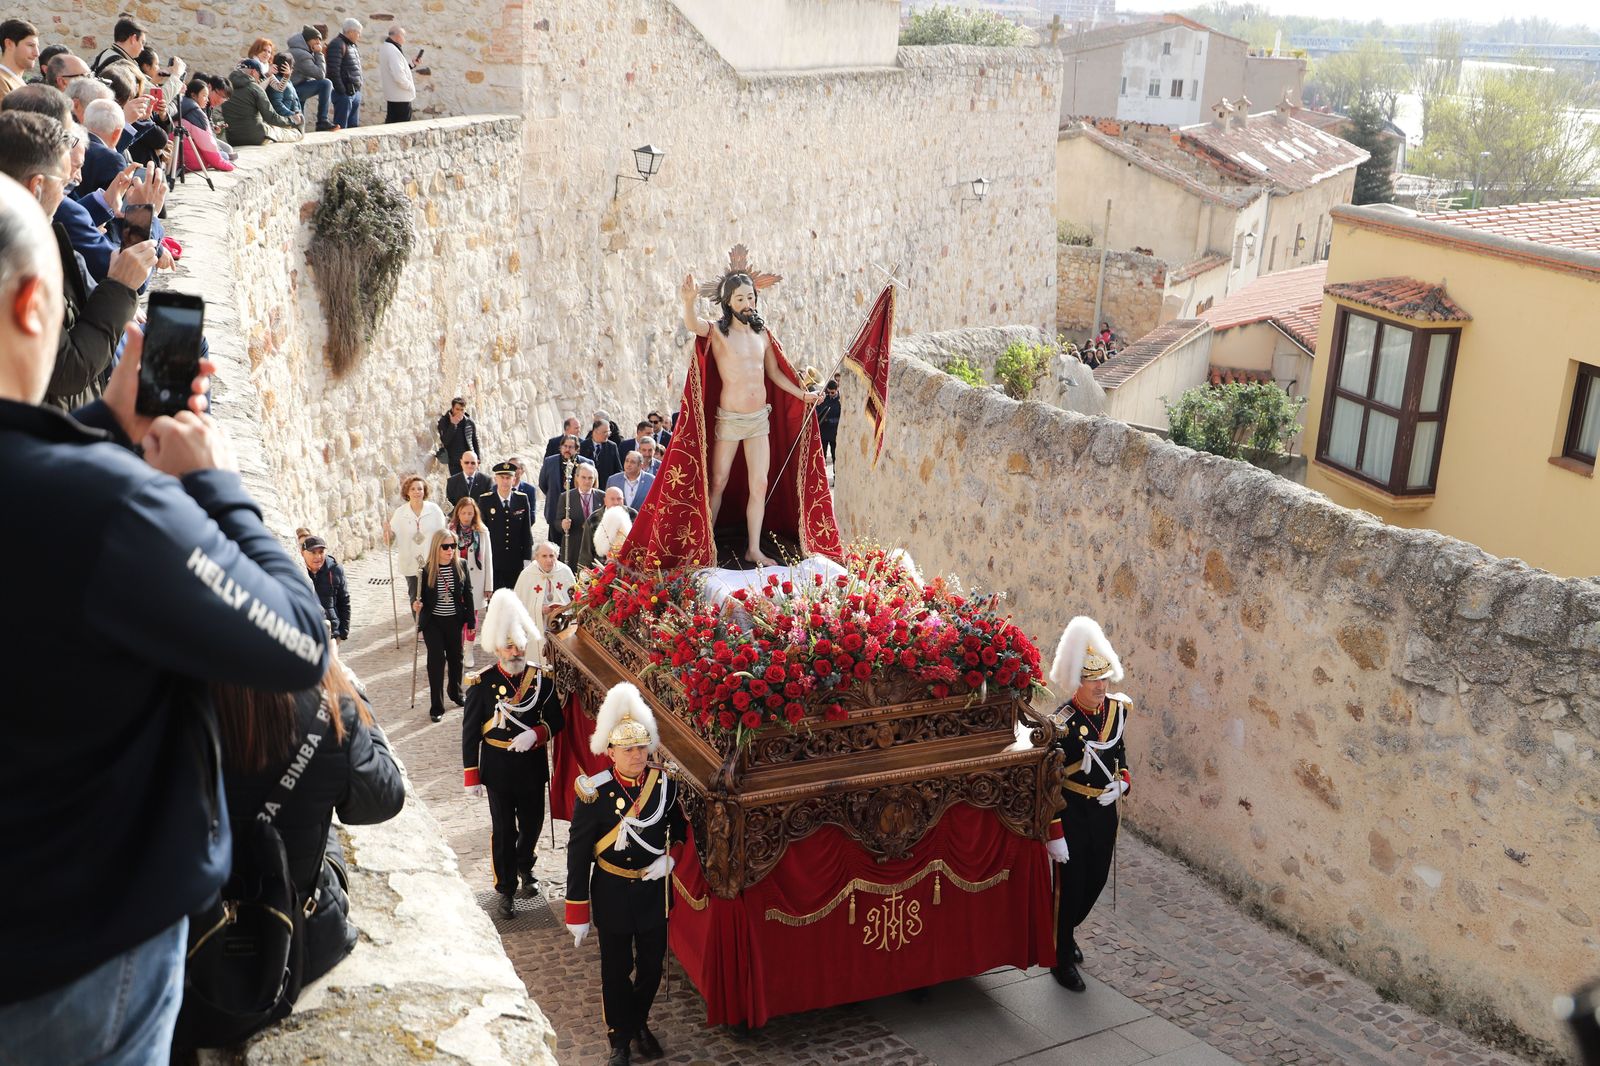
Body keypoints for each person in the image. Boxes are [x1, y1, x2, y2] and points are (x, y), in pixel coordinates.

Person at [0, 169, 329, 1063]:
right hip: (69, 963)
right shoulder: (103, 512)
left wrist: (107, 432)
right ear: (36, 303)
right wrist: (217, 486)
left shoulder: (77, 488)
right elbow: (295, 640)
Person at [203, 644, 404, 1019]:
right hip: (294, 942)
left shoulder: (176, 694)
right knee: (323, 833)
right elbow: (383, 799)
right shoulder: (328, 708)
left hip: (190, 934)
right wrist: (345, 688)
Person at [565, 683, 685, 1066]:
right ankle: (620, 1038)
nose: (636, 755)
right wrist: (576, 910)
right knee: (616, 971)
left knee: (651, 968)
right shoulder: (594, 792)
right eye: (627, 749)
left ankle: (638, 1022)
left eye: (641, 747)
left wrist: (671, 860)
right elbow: (579, 853)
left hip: (652, 893)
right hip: (612, 891)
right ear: (610, 751)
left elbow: (679, 831)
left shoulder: (664, 785)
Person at [680, 262, 821, 566]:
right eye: (741, 298)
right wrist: (688, 302)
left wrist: (803, 395)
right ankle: (707, 547)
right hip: (730, 420)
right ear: (729, 302)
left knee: (759, 484)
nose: (747, 303)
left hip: (759, 419)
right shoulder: (719, 332)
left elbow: (774, 373)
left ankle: (754, 548)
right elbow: (694, 326)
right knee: (718, 481)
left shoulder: (763, 334)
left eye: (751, 297)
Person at [1043, 616, 1132, 993]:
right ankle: (1060, 955)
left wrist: (1122, 785)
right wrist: (1054, 833)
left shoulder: (1117, 711)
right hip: (1073, 813)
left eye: (1105, 679)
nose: (1101, 687)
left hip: (1103, 813)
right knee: (1071, 886)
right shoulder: (1062, 723)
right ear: (1078, 682)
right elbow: (1049, 783)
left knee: (1095, 881)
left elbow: (1121, 755)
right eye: (1094, 680)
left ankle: (1066, 932)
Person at [463, 590, 565, 917]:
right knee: (504, 830)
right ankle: (505, 888)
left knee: (532, 823)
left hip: (532, 766)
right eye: (509, 646)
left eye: (520, 644)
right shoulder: (482, 684)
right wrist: (471, 775)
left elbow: (556, 721)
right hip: (498, 767)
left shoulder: (541, 680)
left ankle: (526, 865)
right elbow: (469, 733)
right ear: (496, 648)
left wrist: (537, 733)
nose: (516, 651)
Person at [413, 528, 473, 723]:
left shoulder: (461, 565)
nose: (450, 550)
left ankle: (455, 692)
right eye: (445, 546)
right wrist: (417, 605)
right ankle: (436, 706)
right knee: (436, 661)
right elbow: (418, 598)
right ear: (436, 547)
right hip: (434, 623)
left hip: (454, 620)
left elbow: (468, 595)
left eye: (453, 546)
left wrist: (471, 621)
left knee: (457, 658)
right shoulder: (426, 570)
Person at [386, 472, 446, 603]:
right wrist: (387, 532)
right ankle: (418, 623)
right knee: (415, 599)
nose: (416, 492)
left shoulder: (434, 510)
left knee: (432, 599)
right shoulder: (400, 513)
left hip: (431, 562)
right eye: (412, 489)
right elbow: (390, 540)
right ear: (407, 492)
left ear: (424, 491)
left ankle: (429, 624)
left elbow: (443, 536)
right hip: (410, 561)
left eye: (420, 488)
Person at [512, 540, 574, 667]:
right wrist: (538, 609)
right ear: (536, 557)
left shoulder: (564, 572)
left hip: (561, 625)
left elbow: (574, 601)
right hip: (536, 626)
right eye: (544, 556)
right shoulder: (527, 575)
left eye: (552, 556)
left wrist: (563, 608)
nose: (549, 560)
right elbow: (517, 608)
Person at [479, 460, 533, 592]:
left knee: (515, 597)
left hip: (515, 560)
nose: (505, 481)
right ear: (495, 479)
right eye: (501, 477)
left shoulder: (521, 499)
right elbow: (481, 532)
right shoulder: (486, 500)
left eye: (508, 477)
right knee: (494, 599)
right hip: (494, 560)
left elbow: (526, 532)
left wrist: (527, 559)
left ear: (514, 479)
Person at [220, 58, 297, 147]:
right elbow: (271, 117)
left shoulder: (225, 89)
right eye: (259, 76)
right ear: (253, 72)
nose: (259, 80)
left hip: (233, 139)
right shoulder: (254, 88)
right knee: (289, 133)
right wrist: (292, 120)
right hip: (256, 137)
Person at [448, 494, 494, 638]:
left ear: (475, 514)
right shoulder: (450, 530)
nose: (466, 516)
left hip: (475, 581)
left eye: (470, 513)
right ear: (458, 513)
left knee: (471, 617)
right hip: (455, 579)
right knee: (455, 617)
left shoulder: (482, 531)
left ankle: (468, 651)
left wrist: (488, 586)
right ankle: (457, 650)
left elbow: (487, 559)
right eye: (463, 513)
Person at [538, 435, 590, 551]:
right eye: (565, 446)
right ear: (561, 447)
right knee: (555, 548)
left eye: (571, 447)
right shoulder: (550, 462)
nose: (567, 449)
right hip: (555, 511)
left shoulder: (586, 464)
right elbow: (543, 484)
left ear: (577, 449)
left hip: (578, 511)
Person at [301, 534, 351, 642]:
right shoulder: (298, 572)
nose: (318, 557)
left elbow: (344, 600)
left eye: (321, 552)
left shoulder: (336, 570)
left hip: (332, 633)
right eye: (313, 552)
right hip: (307, 634)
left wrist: (343, 632)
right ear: (302, 553)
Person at [287, 25, 336, 131]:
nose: (319, 42)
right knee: (326, 83)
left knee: (299, 126)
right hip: (295, 90)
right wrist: (319, 53)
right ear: (307, 40)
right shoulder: (301, 54)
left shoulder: (301, 50)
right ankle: (322, 121)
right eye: (316, 39)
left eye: (320, 39)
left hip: (296, 87)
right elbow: (320, 74)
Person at [556, 461, 602, 571]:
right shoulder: (566, 497)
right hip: (574, 547)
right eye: (583, 477)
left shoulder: (602, 496)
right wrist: (562, 524)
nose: (587, 481)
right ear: (577, 478)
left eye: (590, 478)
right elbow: (557, 522)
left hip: (596, 549)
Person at [578, 486, 636, 571]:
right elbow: (586, 551)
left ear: (623, 500)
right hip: (602, 572)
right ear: (605, 501)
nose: (616, 502)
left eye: (619, 499)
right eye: (612, 499)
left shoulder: (633, 515)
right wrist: (583, 574)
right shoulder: (593, 519)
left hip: (629, 570)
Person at [377, 25, 422, 124]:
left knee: (391, 125)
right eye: (404, 36)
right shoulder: (393, 51)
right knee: (402, 128)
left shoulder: (386, 47)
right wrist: (410, 86)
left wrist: (412, 64)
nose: (404, 39)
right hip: (401, 97)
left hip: (393, 96)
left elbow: (398, 69)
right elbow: (399, 76)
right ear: (398, 37)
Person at [325, 19, 363, 130]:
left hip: (354, 92)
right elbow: (333, 70)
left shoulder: (352, 45)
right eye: (358, 32)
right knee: (341, 128)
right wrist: (343, 92)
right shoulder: (337, 44)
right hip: (345, 95)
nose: (359, 36)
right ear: (350, 31)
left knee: (353, 128)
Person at [437, 395, 479, 476]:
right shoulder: (444, 421)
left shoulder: (469, 422)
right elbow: (445, 441)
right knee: (458, 485)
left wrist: (478, 458)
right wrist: (453, 425)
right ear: (452, 409)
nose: (459, 412)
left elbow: (475, 440)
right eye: (457, 409)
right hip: (454, 462)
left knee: (473, 485)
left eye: (462, 410)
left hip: (470, 461)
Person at [0, 19, 39, 96]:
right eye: (30, 45)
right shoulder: (1, 81)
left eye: (37, 46)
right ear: (9, 44)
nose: (37, 53)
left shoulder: (19, 82)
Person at [580, 416, 622, 487]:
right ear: (596, 432)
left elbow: (618, 470)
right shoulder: (582, 446)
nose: (608, 434)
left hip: (607, 488)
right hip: (587, 488)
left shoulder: (612, 447)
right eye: (605, 432)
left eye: (609, 432)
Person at [265, 55, 304, 125]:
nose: (292, 69)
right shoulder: (275, 80)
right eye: (291, 66)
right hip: (284, 120)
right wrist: (292, 115)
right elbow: (277, 104)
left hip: (292, 119)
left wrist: (297, 112)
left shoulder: (288, 81)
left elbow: (294, 100)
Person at [816, 379, 841, 464]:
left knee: (836, 458)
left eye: (832, 392)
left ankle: (836, 476)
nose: (830, 394)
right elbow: (817, 411)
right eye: (828, 392)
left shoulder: (841, 401)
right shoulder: (824, 398)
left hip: (835, 434)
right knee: (821, 458)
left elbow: (842, 418)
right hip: (823, 433)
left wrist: (830, 420)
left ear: (837, 389)